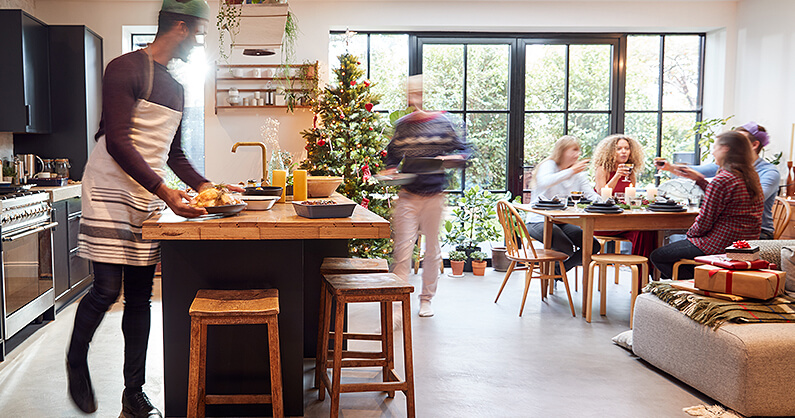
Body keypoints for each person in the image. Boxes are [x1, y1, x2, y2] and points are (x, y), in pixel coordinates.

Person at [66, 1, 240, 416]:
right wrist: (167, 193)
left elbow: (174, 153)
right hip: (109, 189)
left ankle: (133, 394)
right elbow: (117, 142)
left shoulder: (177, 88)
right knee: (108, 290)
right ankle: (76, 360)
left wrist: (210, 188)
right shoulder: (125, 68)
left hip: (145, 193)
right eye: (197, 32)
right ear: (179, 26)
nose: (199, 41)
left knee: (140, 298)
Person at [383, 74, 470, 318]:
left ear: (423, 94)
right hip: (408, 196)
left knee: (432, 250)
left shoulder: (443, 122)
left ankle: (426, 299)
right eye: (411, 93)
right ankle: (398, 303)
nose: (415, 97)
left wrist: (452, 159)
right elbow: (393, 154)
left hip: (434, 196)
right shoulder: (403, 124)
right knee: (402, 251)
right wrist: (390, 169)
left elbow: (464, 151)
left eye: (418, 92)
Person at [650, 131, 763, 279]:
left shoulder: (722, 180)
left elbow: (705, 220)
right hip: (745, 244)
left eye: (715, 147)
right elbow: (723, 198)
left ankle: (696, 284)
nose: (712, 151)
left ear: (725, 149)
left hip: (720, 244)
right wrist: (700, 180)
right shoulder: (750, 176)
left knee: (658, 256)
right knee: (675, 255)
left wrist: (690, 236)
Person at [660, 122, 779, 239]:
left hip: (758, 233)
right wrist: (670, 167)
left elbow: (751, 201)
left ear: (754, 145)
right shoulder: (728, 169)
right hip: (730, 230)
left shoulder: (768, 172)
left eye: (739, 141)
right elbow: (700, 170)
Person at [526, 136, 601, 273]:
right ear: (562, 151)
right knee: (565, 247)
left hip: (561, 221)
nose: (577, 154)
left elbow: (591, 195)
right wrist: (571, 171)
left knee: (593, 245)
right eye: (573, 150)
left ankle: (557, 272)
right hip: (538, 220)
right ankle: (554, 273)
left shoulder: (577, 173)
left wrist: (609, 202)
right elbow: (545, 182)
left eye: (578, 150)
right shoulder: (549, 165)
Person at [592, 134, 656, 276]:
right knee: (641, 232)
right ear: (610, 152)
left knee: (648, 231)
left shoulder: (630, 172)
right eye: (619, 148)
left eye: (626, 148)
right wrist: (617, 176)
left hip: (623, 221)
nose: (624, 152)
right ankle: (642, 277)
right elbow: (603, 195)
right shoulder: (602, 169)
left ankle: (646, 273)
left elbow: (630, 199)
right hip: (603, 222)